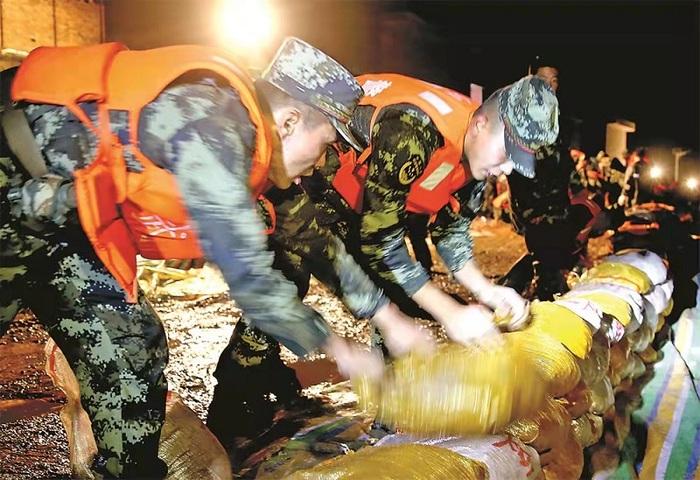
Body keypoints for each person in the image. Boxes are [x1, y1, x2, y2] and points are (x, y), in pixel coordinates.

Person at [0, 38, 419, 478]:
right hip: (13, 189)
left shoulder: (258, 147)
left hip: (62, 222)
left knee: (128, 348)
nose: (321, 163)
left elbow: (316, 239)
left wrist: (388, 317)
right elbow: (253, 283)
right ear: (291, 121)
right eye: (327, 142)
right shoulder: (215, 125)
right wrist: (342, 349)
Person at [298, 72, 560, 349]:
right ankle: (257, 371)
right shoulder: (413, 130)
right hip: (311, 188)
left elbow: (451, 231)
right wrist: (448, 312)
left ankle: (390, 371)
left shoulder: (478, 154)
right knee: (287, 279)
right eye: (507, 154)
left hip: (362, 207)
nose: (506, 170)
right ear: (480, 125)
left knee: (398, 301)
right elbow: (379, 239)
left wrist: (488, 290)